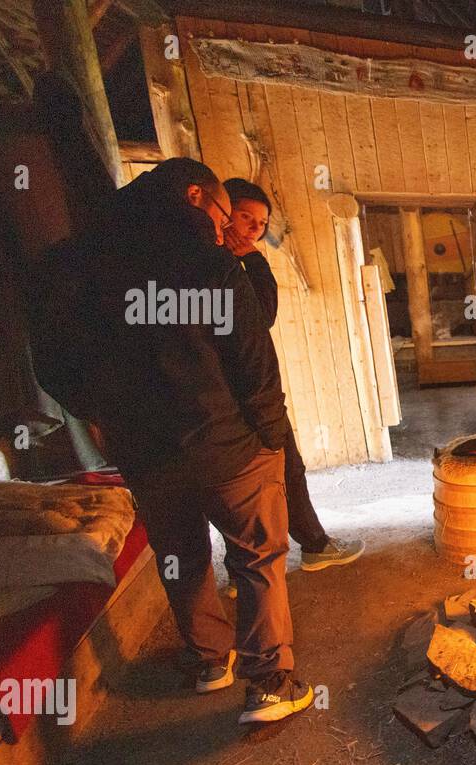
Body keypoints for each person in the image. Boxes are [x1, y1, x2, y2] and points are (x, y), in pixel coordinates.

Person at [35, 158, 314, 724]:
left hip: (146, 455)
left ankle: (210, 661)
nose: (223, 226)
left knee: (180, 558)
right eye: (221, 213)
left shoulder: (69, 265)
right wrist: (271, 436)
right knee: (258, 555)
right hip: (229, 446)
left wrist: (112, 418)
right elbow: (254, 361)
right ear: (193, 197)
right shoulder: (208, 263)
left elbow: (56, 371)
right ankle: (269, 683)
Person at [220, 178, 365, 578]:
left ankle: (294, 551)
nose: (252, 228)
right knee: (260, 477)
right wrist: (254, 260)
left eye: (261, 223)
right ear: (219, 211)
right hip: (237, 394)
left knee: (280, 470)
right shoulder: (220, 264)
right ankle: (285, 556)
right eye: (244, 216)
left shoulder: (228, 263)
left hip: (247, 389)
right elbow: (262, 314)